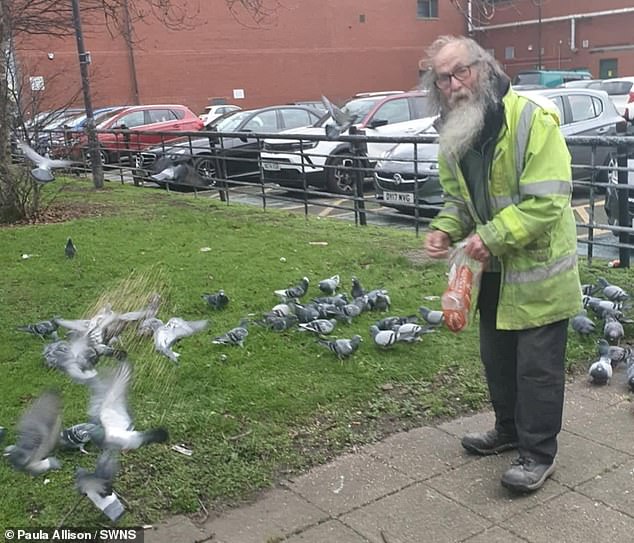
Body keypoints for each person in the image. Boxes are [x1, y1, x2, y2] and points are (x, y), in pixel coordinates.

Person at [422, 35, 582, 493]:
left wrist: (490, 237)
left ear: (484, 68)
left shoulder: (532, 120)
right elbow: (459, 200)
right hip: (490, 270)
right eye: (443, 77)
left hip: (538, 270)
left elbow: (548, 200)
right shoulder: (454, 132)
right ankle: (508, 430)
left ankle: (537, 454)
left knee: (536, 368)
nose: (454, 84)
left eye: (461, 71)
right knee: (498, 360)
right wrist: (444, 229)